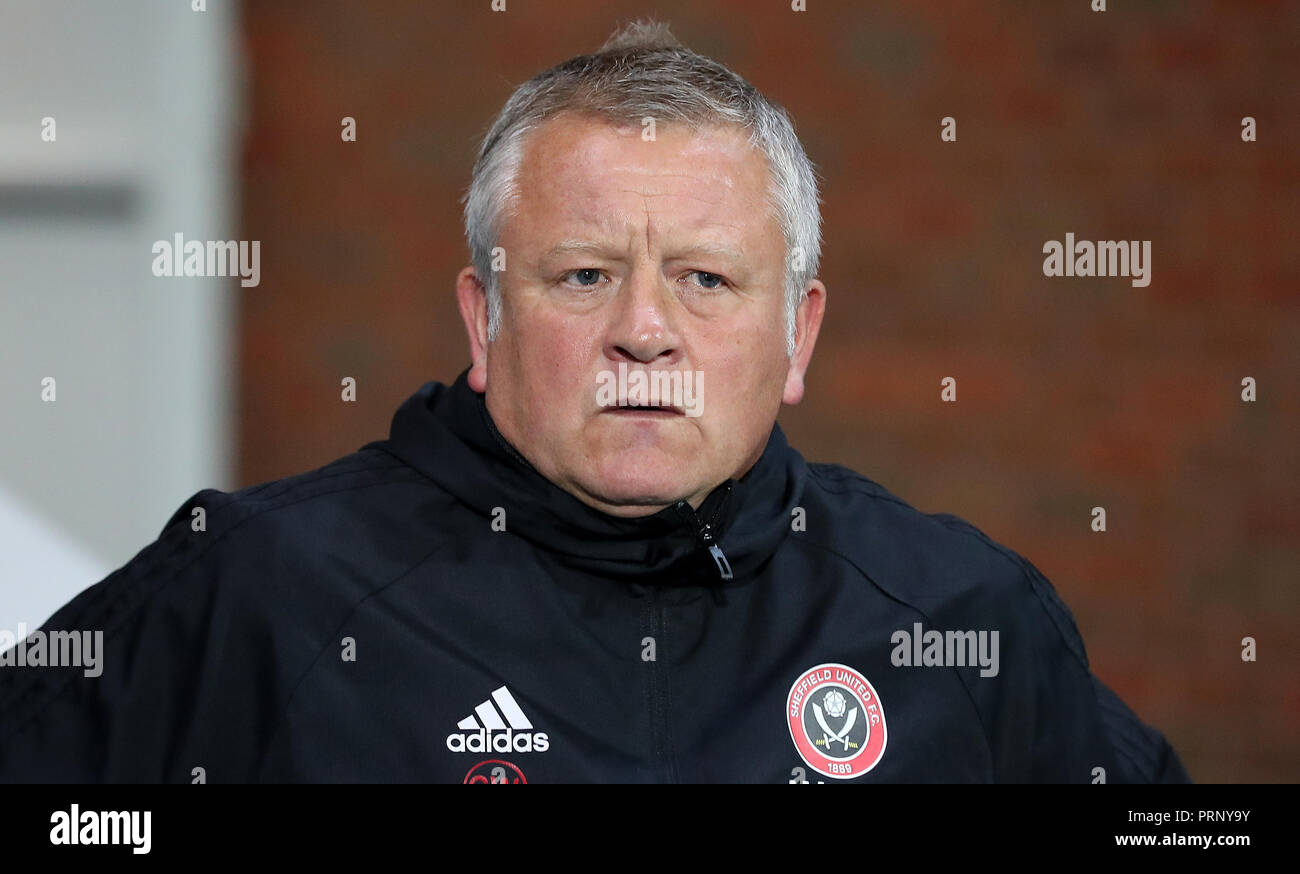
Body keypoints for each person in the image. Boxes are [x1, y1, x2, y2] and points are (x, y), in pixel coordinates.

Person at [0, 20, 1189, 783]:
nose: (642, 328)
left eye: (705, 279)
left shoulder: (957, 619)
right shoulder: (258, 591)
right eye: (583, 274)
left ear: (796, 336)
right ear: (484, 319)